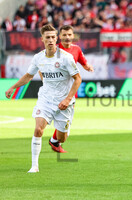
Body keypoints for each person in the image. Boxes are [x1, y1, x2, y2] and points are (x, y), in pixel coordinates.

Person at [5, 24, 82, 173]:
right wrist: (12, 87)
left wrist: (67, 99)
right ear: (42, 39)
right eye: (48, 37)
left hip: (64, 103)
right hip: (45, 99)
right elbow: (28, 76)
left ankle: (60, 134)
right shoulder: (38, 58)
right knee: (38, 129)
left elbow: (77, 79)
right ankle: (34, 166)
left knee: (62, 138)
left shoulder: (66, 58)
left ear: (56, 38)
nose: (51, 40)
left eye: (53, 37)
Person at [47, 25, 93, 153]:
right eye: (64, 35)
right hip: (56, 89)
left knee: (66, 119)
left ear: (73, 36)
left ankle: (54, 140)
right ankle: (49, 140)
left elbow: (83, 62)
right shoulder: (54, 50)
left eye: (69, 35)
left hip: (71, 89)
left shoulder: (76, 49)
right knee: (59, 117)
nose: (67, 37)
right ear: (59, 36)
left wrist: (88, 67)